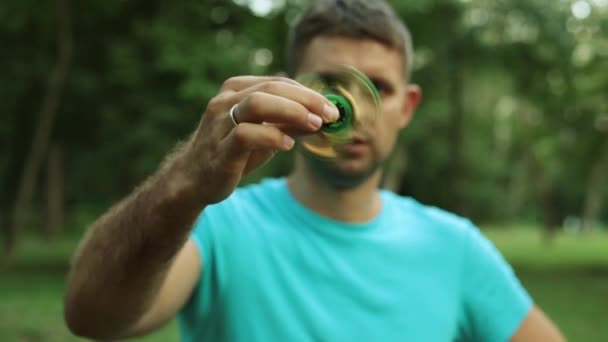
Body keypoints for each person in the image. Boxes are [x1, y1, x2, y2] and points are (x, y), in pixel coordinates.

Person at [64, 0, 565, 341]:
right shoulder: (217, 223)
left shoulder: (455, 248)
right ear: (288, 91)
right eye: (330, 84)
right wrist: (182, 185)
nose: (352, 109)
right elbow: (91, 316)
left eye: (379, 89)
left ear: (407, 107)